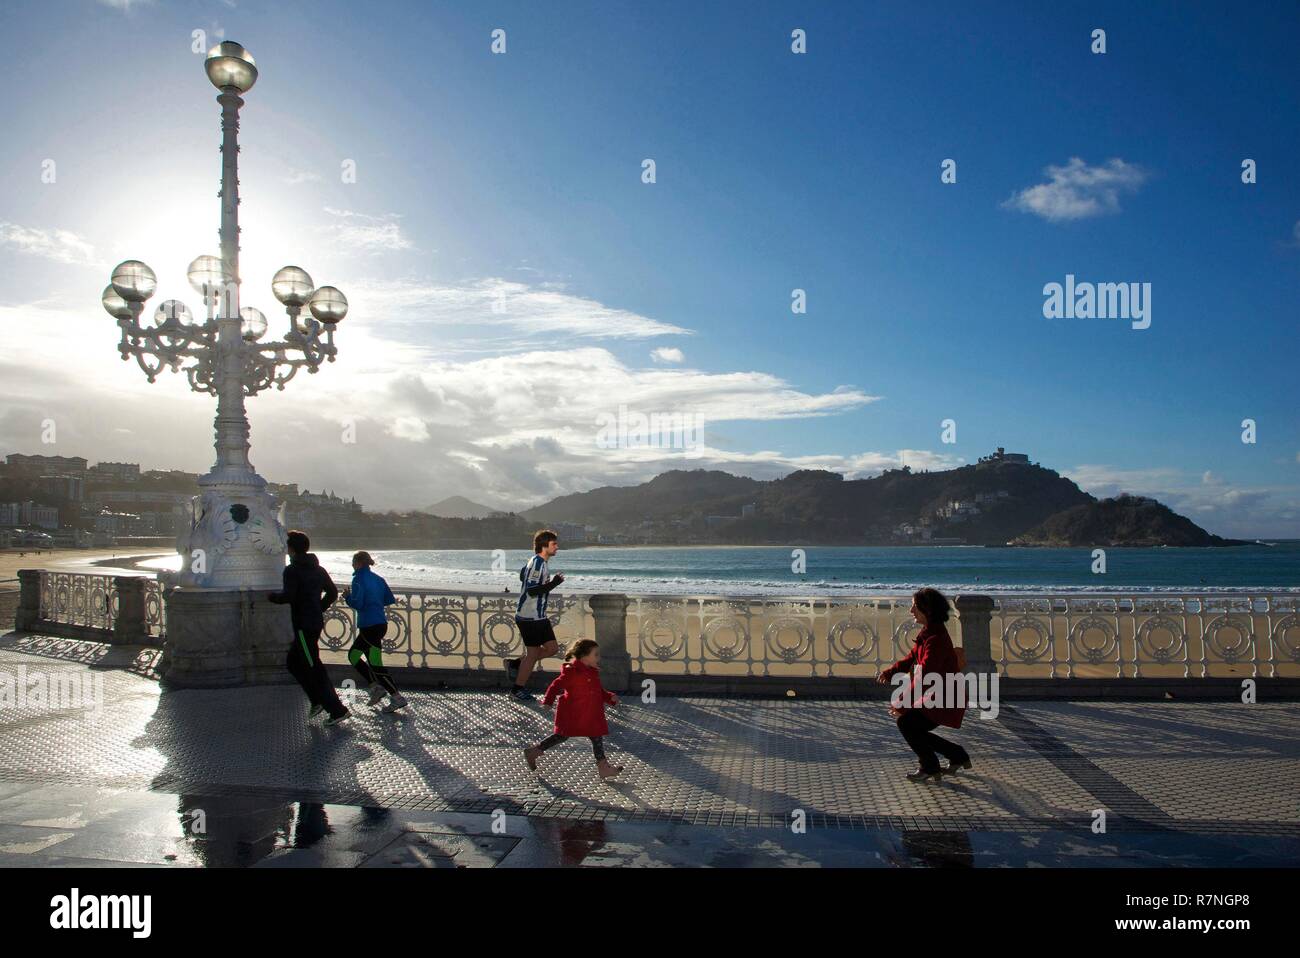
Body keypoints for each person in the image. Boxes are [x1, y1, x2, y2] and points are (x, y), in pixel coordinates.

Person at [876, 587, 971, 782]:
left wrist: (901, 703)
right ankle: (957, 755)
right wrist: (891, 671)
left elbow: (926, 676)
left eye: (914, 607)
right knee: (913, 727)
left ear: (927, 610)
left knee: (907, 724)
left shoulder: (935, 639)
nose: (911, 611)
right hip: (936, 693)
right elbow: (912, 657)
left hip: (945, 697)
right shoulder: (928, 633)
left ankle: (931, 766)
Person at [268, 530, 349, 725]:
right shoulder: (318, 569)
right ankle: (317, 701)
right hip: (313, 621)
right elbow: (332, 592)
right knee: (294, 663)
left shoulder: (292, 570)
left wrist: (272, 597)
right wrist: (318, 607)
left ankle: (337, 710)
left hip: (303, 625)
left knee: (313, 666)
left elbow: (289, 596)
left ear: (292, 548)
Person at [524, 638, 623, 781]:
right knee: (562, 736)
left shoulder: (592, 671)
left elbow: (598, 691)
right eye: (596, 654)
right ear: (584, 656)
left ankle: (603, 767)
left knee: (596, 736)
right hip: (573, 713)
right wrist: (548, 701)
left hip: (589, 714)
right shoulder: (572, 672)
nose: (599, 658)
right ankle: (534, 751)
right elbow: (555, 685)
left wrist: (610, 697)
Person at [505, 529, 565, 702]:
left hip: (538, 616)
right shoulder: (538, 563)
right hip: (529, 617)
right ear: (544, 546)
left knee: (552, 648)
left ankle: (515, 664)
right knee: (532, 654)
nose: (557, 547)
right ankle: (517, 690)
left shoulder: (538, 562)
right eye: (554, 544)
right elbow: (532, 590)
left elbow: (522, 575)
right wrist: (554, 583)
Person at [344, 550, 407, 713]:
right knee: (374, 662)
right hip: (380, 623)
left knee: (354, 656)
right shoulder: (378, 579)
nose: (352, 565)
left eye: (353, 562)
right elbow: (388, 599)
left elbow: (358, 603)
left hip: (369, 626)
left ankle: (387, 693)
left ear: (358, 563)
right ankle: (388, 693)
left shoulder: (358, 579)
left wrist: (347, 597)